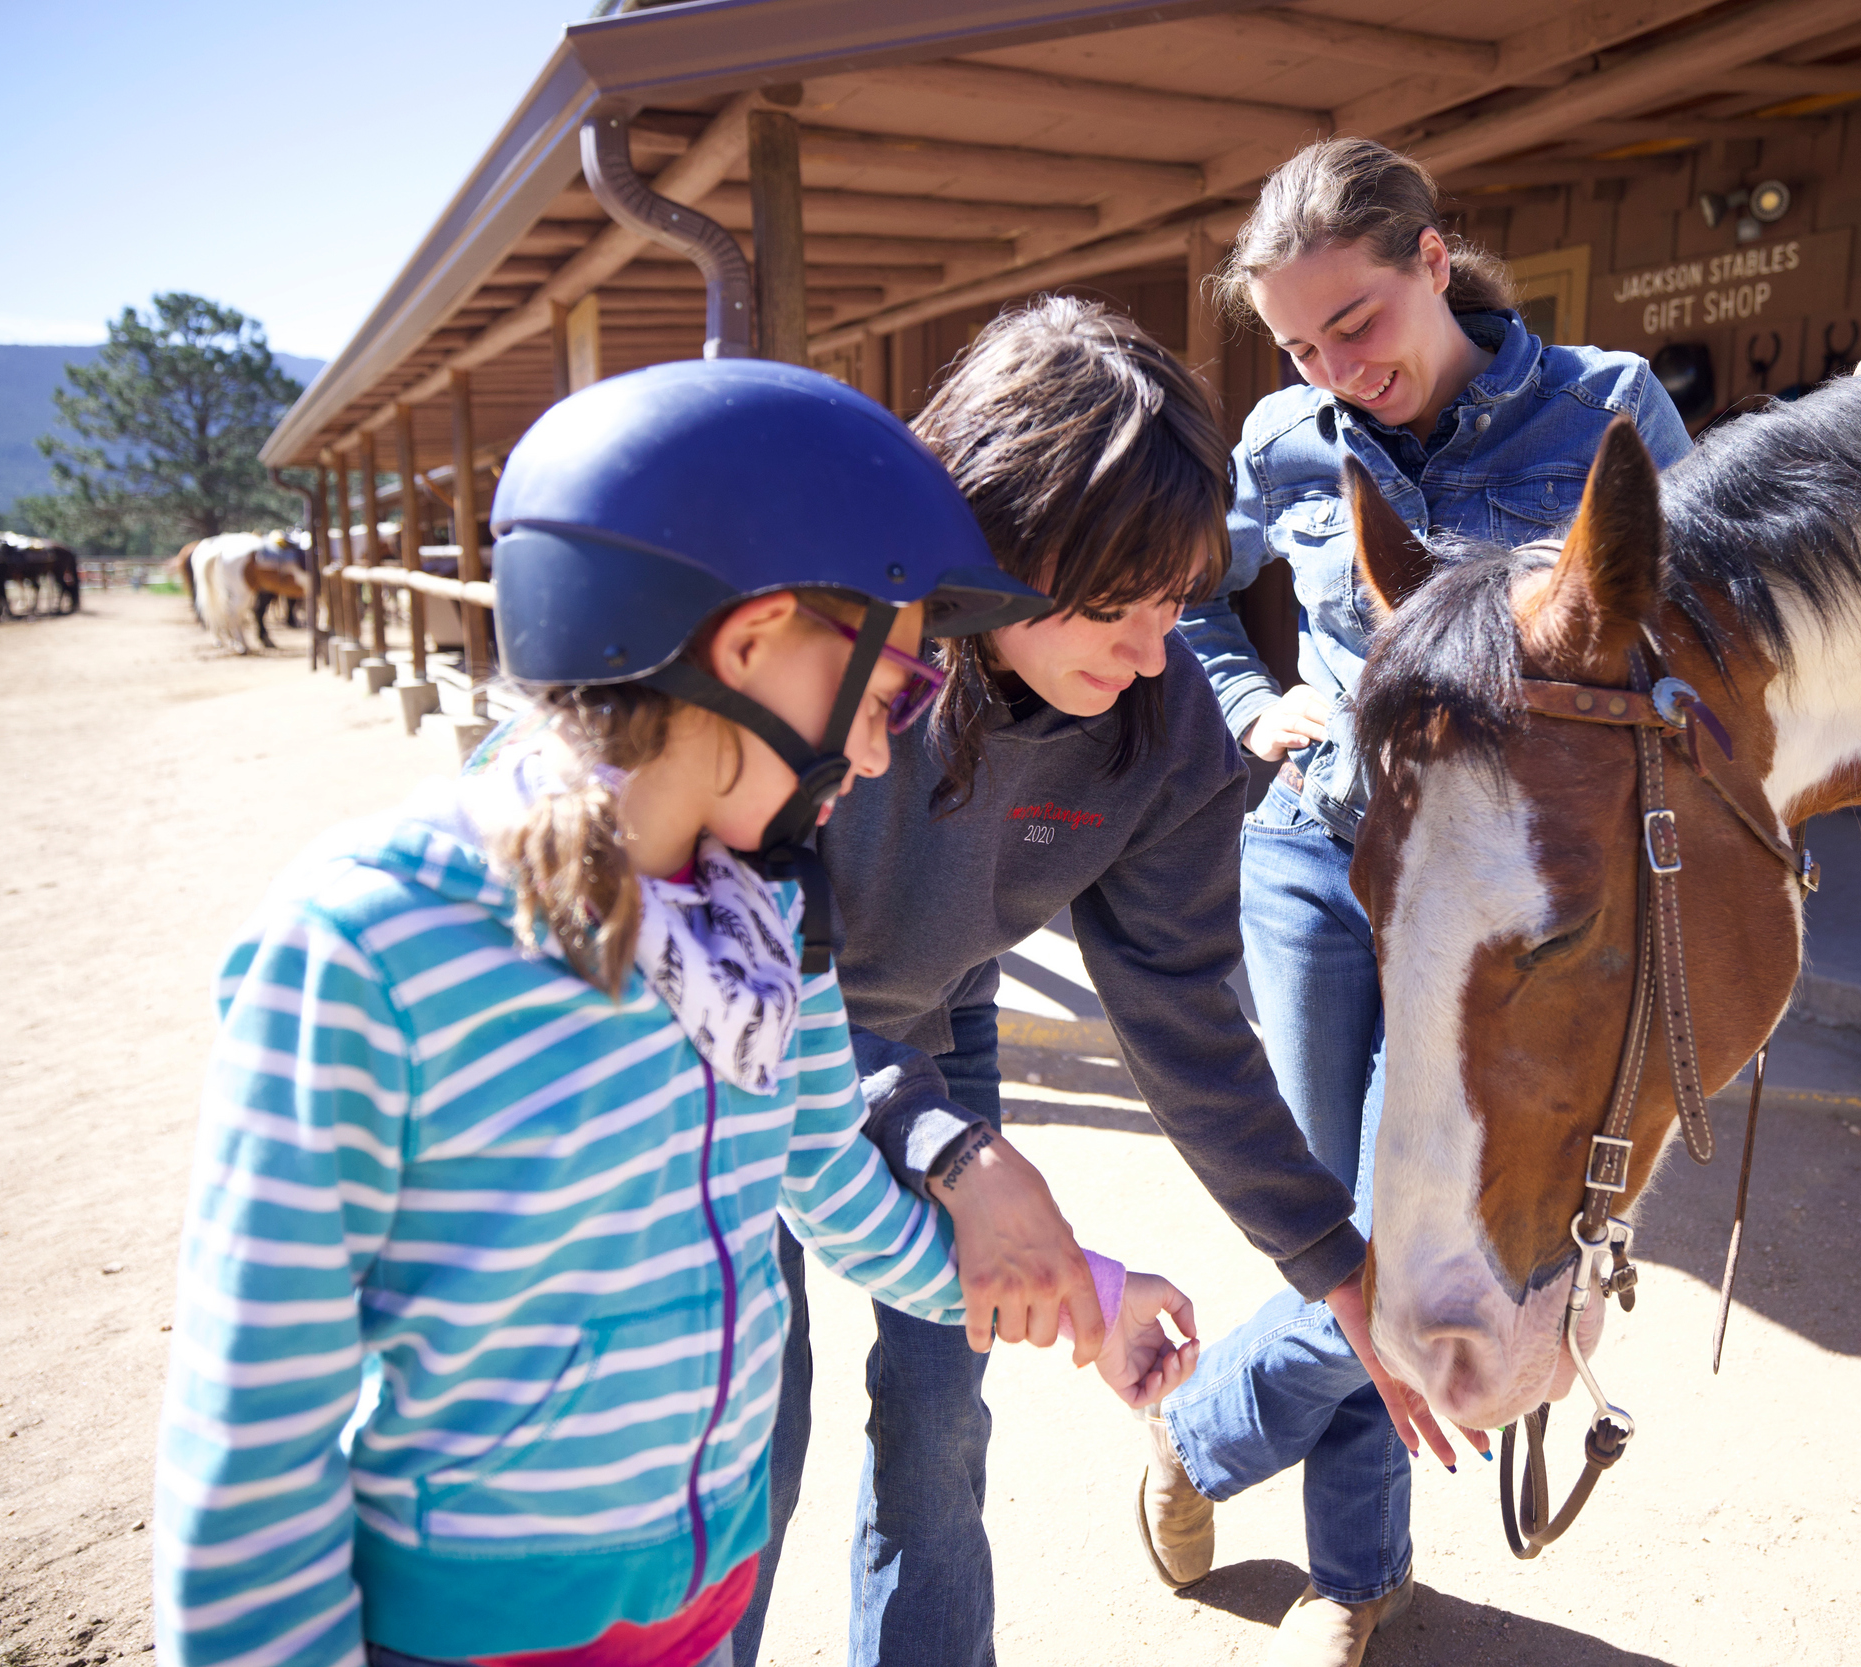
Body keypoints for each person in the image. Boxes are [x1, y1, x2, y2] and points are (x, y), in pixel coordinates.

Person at [152, 360, 1196, 1667]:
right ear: (750, 643)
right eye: (889, 698)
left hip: (695, 1600)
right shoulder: (369, 948)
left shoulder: (760, 923)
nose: (880, 754)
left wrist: (1084, 1294)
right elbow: (254, 1440)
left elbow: (825, 1177)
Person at [726, 296, 1422, 1667]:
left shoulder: (1159, 731)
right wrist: (960, 1151)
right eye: (1115, 602)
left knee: (939, 1420)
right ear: (989, 550)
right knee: (755, 1418)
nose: (1157, 648)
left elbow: (1185, 1020)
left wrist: (1333, 1265)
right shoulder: (842, 681)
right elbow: (770, 986)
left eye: (1179, 598)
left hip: (937, 1025)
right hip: (747, 1050)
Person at [1167, 137, 1696, 1667]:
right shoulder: (1282, 437)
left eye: (1359, 324)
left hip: (1498, 903)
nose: (1337, 367)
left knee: (1408, 1251)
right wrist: (1242, 693)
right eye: (1301, 344)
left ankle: (1196, 1433)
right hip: (1316, 861)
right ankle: (1357, 1574)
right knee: (1330, 1224)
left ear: (1433, 261)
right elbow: (1195, 584)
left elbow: (1726, 574)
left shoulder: (1611, 413)